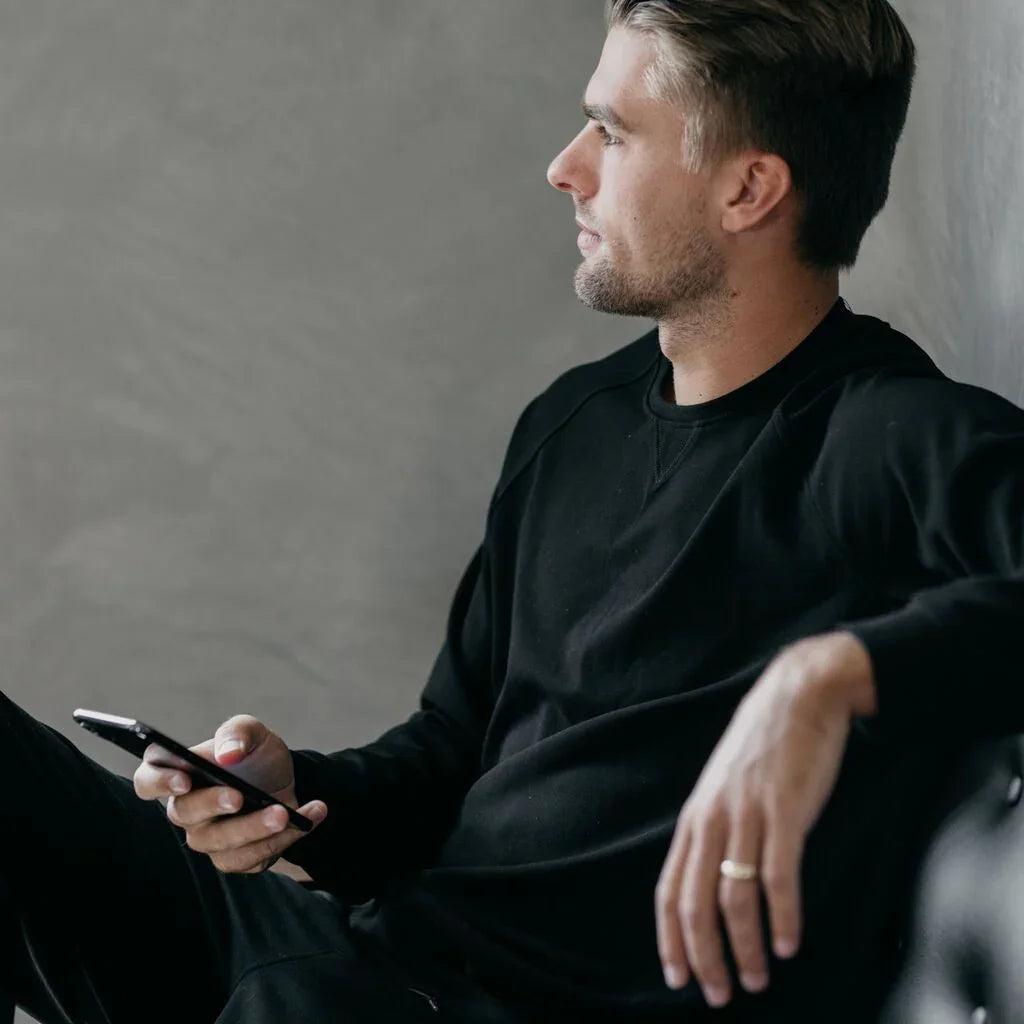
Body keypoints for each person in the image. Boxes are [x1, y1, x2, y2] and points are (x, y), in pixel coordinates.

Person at [2, 1, 1022, 1021]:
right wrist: (291, 797)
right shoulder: (573, 422)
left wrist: (830, 675)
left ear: (748, 188)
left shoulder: (888, 434)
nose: (565, 166)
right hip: (353, 960)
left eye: (613, 132)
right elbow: (449, 753)